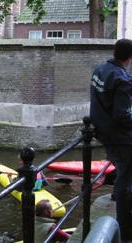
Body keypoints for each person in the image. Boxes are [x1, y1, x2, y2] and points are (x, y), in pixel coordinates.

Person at [90, 38, 132, 241]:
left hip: (101, 131)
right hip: (120, 137)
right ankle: (125, 225)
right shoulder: (122, 79)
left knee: (122, 173)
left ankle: (119, 196)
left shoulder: (99, 69)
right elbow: (123, 116)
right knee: (126, 179)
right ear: (130, 56)